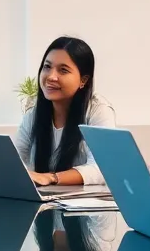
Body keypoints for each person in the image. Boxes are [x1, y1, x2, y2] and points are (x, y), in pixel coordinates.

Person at [14, 37, 116, 187]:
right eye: (47, 67)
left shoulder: (98, 110)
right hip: (45, 202)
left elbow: (103, 168)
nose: (51, 77)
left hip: (85, 207)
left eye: (63, 70)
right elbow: (15, 161)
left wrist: (51, 178)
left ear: (83, 80)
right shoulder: (34, 114)